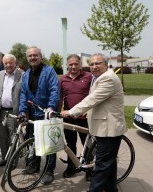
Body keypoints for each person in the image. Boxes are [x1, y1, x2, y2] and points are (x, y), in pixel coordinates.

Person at [61, 53, 128, 192]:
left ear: (106, 64)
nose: (94, 66)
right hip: (104, 127)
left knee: (101, 166)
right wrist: (88, 111)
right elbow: (98, 101)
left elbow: (92, 99)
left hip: (109, 129)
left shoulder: (108, 78)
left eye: (97, 63)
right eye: (91, 64)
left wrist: (71, 111)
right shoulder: (100, 77)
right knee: (109, 163)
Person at [18, 46, 59, 185]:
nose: (32, 57)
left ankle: (49, 171)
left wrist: (51, 107)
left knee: (49, 145)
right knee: (32, 142)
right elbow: (23, 93)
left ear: (41, 56)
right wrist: (22, 111)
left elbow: (54, 89)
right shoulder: (27, 73)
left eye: (35, 55)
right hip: (32, 114)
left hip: (46, 114)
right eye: (30, 56)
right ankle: (34, 165)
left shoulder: (49, 71)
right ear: (27, 58)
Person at [57, 54, 92, 179]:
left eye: (76, 64)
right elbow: (60, 98)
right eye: (70, 64)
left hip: (84, 118)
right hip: (68, 118)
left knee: (87, 145)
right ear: (67, 65)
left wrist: (91, 110)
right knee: (70, 145)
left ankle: (89, 170)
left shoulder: (88, 77)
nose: (73, 66)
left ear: (80, 64)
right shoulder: (62, 79)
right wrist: (57, 112)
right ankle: (71, 167)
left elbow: (94, 96)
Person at [0, 54, 23, 167]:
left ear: (15, 63)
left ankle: (13, 160)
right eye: (6, 63)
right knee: (2, 136)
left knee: (13, 136)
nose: (8, 65)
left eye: (10, 62)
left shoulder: (22, 75)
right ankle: (4, 158)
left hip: (13, 111)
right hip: (1, 111)